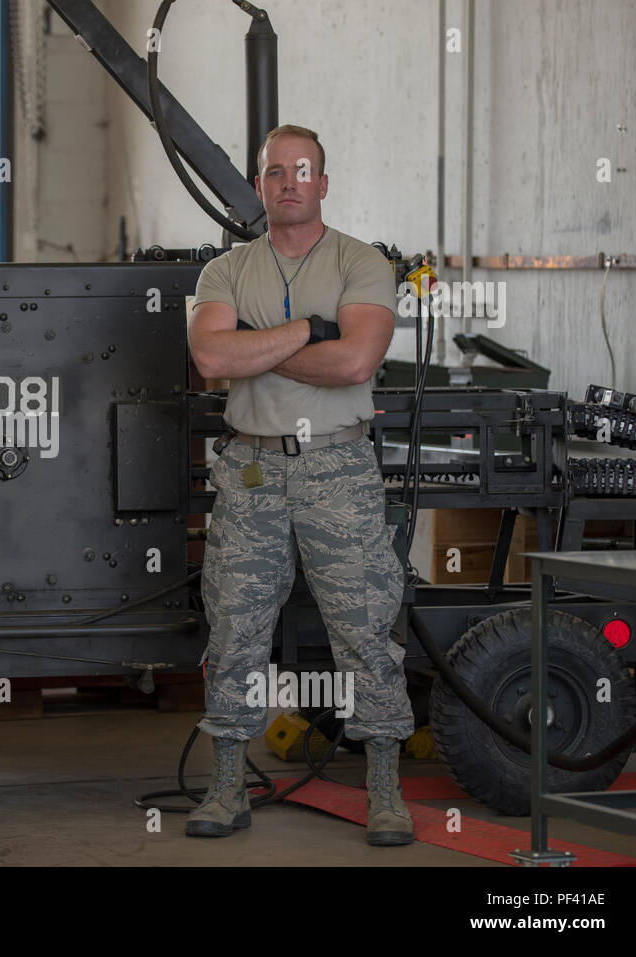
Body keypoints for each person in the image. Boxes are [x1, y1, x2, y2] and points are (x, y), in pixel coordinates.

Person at [185, 124, 414, 845]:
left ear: (323, 181)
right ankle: (227, 787)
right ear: (259, 185)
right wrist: (306, 331)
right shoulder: (224, 272)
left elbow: (354, 364)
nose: (289, 182)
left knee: (365, 626)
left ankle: (384, 791)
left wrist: (257, 346)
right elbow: (209, 358)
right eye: (275, 171)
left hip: (337, 466)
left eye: (303, 170)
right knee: (234, 626)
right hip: (251, 469)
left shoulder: (362, 263)